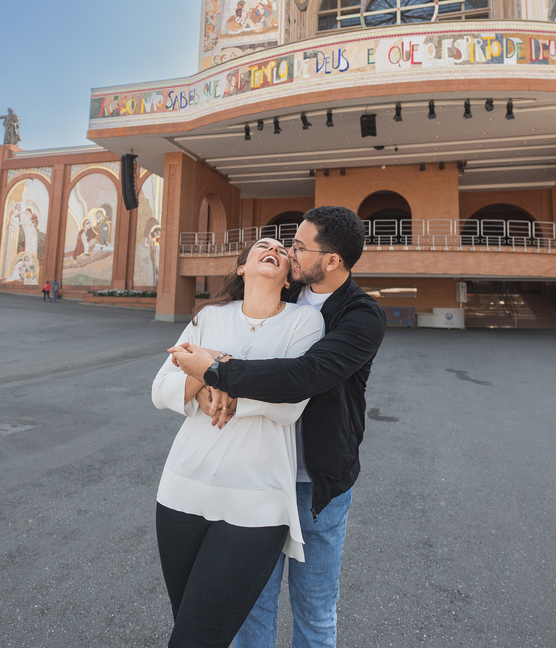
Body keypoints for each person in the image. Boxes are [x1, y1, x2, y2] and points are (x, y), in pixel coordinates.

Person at [169, 206, 386, 648]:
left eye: (301, 247)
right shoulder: (283, 296)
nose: (290, 252)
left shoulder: (362, 317)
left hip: (316, 482)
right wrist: (213, 378)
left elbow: (303, 376)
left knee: (314, 610)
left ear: (332, 261)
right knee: (252, 609)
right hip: (260, 476)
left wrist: (218, 370)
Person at [153, 238, 325, 648]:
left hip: (257, 504)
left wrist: (210, 369)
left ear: (288, 279)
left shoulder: (304, 323)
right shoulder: (208, 317)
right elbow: (161, 389)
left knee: (197, 638)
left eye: (284, 251)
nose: (275, 250)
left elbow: (289, 404)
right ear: (242, 268)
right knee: (189, 626)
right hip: (180, 491)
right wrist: (216, 369)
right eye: (263, 246)